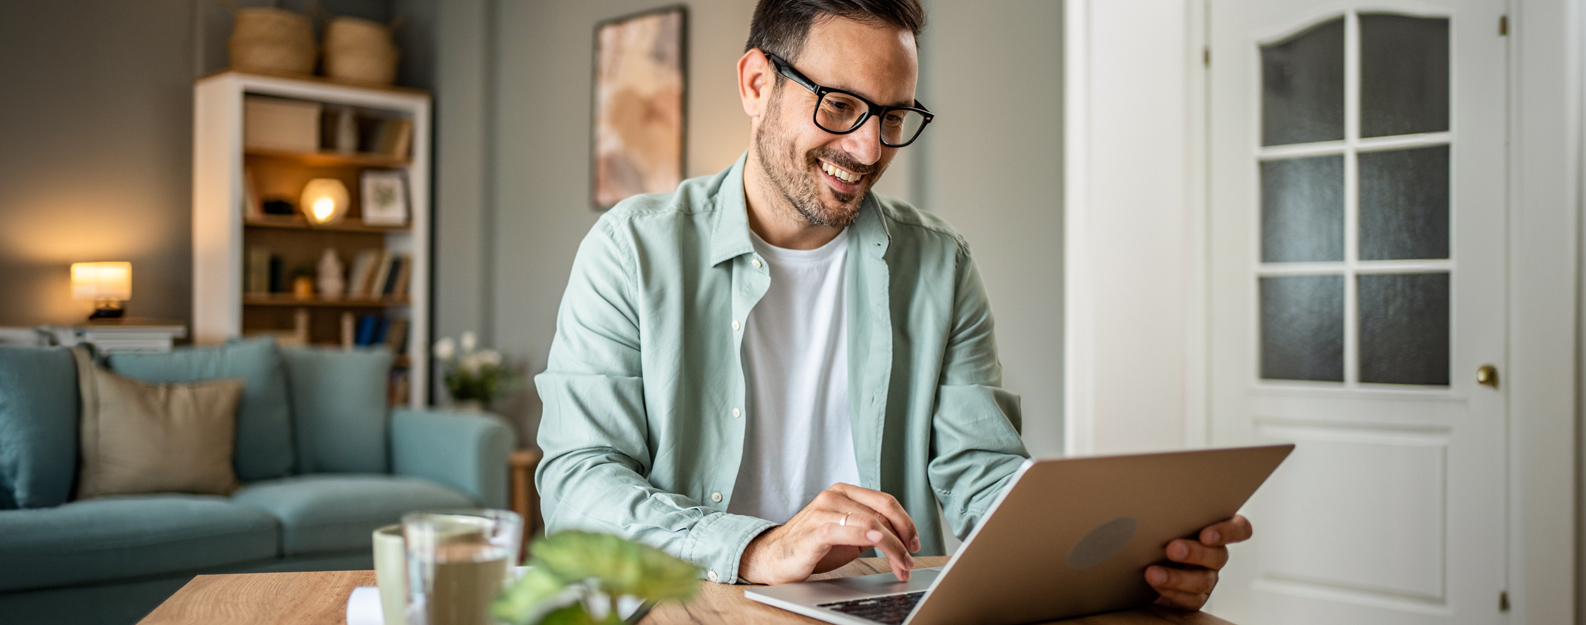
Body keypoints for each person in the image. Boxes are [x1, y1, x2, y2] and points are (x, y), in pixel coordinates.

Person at [535, 0, 1249, 609]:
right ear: (757, 83)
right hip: (699, 603)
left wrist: (1121, 561)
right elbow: (577, 484)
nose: (869, 147)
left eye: (894, 115)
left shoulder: (939, 262)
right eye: (840, 105)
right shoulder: (632, 249)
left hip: (887, 610)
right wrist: (758, 544)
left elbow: (982, 472)